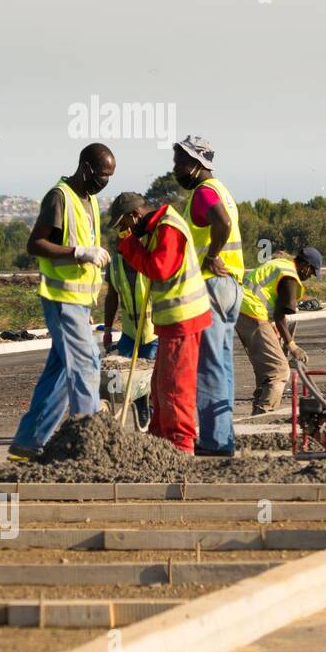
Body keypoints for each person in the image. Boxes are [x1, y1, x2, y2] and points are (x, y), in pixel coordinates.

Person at [8, 144, 115, 462]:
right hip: (61, 299)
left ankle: (28, 442)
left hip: (80, 301)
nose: (104, 181)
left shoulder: (90, 200)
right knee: (86, 366)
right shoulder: (60, 197)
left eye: (109, 177)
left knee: (58, 373)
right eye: (102, 175)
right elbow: (35, 244)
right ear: (85, 167)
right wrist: (78, 252)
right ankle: (89, 446)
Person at [110, 192, 213, 452]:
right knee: (160, 386)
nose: (127, 232)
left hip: (183, 319)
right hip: (172, 321)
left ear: (134, 216)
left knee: (175, 388)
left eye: (126, 226)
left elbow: (159, 269)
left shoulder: (168, 226)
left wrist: (130, 245)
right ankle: (160, 441)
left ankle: (180, 446)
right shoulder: (158, 227)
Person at [173, 137, 243, 456]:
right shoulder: (223, 190)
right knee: (223, 366)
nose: (176, 169)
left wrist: (211, 254)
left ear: (198, 165)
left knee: (209, 366)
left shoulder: (204, 192)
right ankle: (223, 437)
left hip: (211, 285)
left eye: (180, 163)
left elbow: (222, 224)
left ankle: (215, 442)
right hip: (231, 287)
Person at [236, 247, 322, 414]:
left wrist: (272, 328)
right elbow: (280, 315)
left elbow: (272, 307)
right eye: (310, 272)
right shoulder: (289, 277)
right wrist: (292, 345)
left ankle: (257, 414)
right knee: (279, 370)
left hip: (241, 309)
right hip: (252, 312)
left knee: (266, 370)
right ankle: (264, 415)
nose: (309, 276)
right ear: (305, 265)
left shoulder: (281, 265)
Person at [102, 236, 156, 430]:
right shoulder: (115, 264)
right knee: (123, 374)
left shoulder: (148, 257)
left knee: (150, 377)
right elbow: (111, 297)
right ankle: (141, 407)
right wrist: (107, 330)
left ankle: (149, 411)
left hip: (152, 331)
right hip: (129, 332)